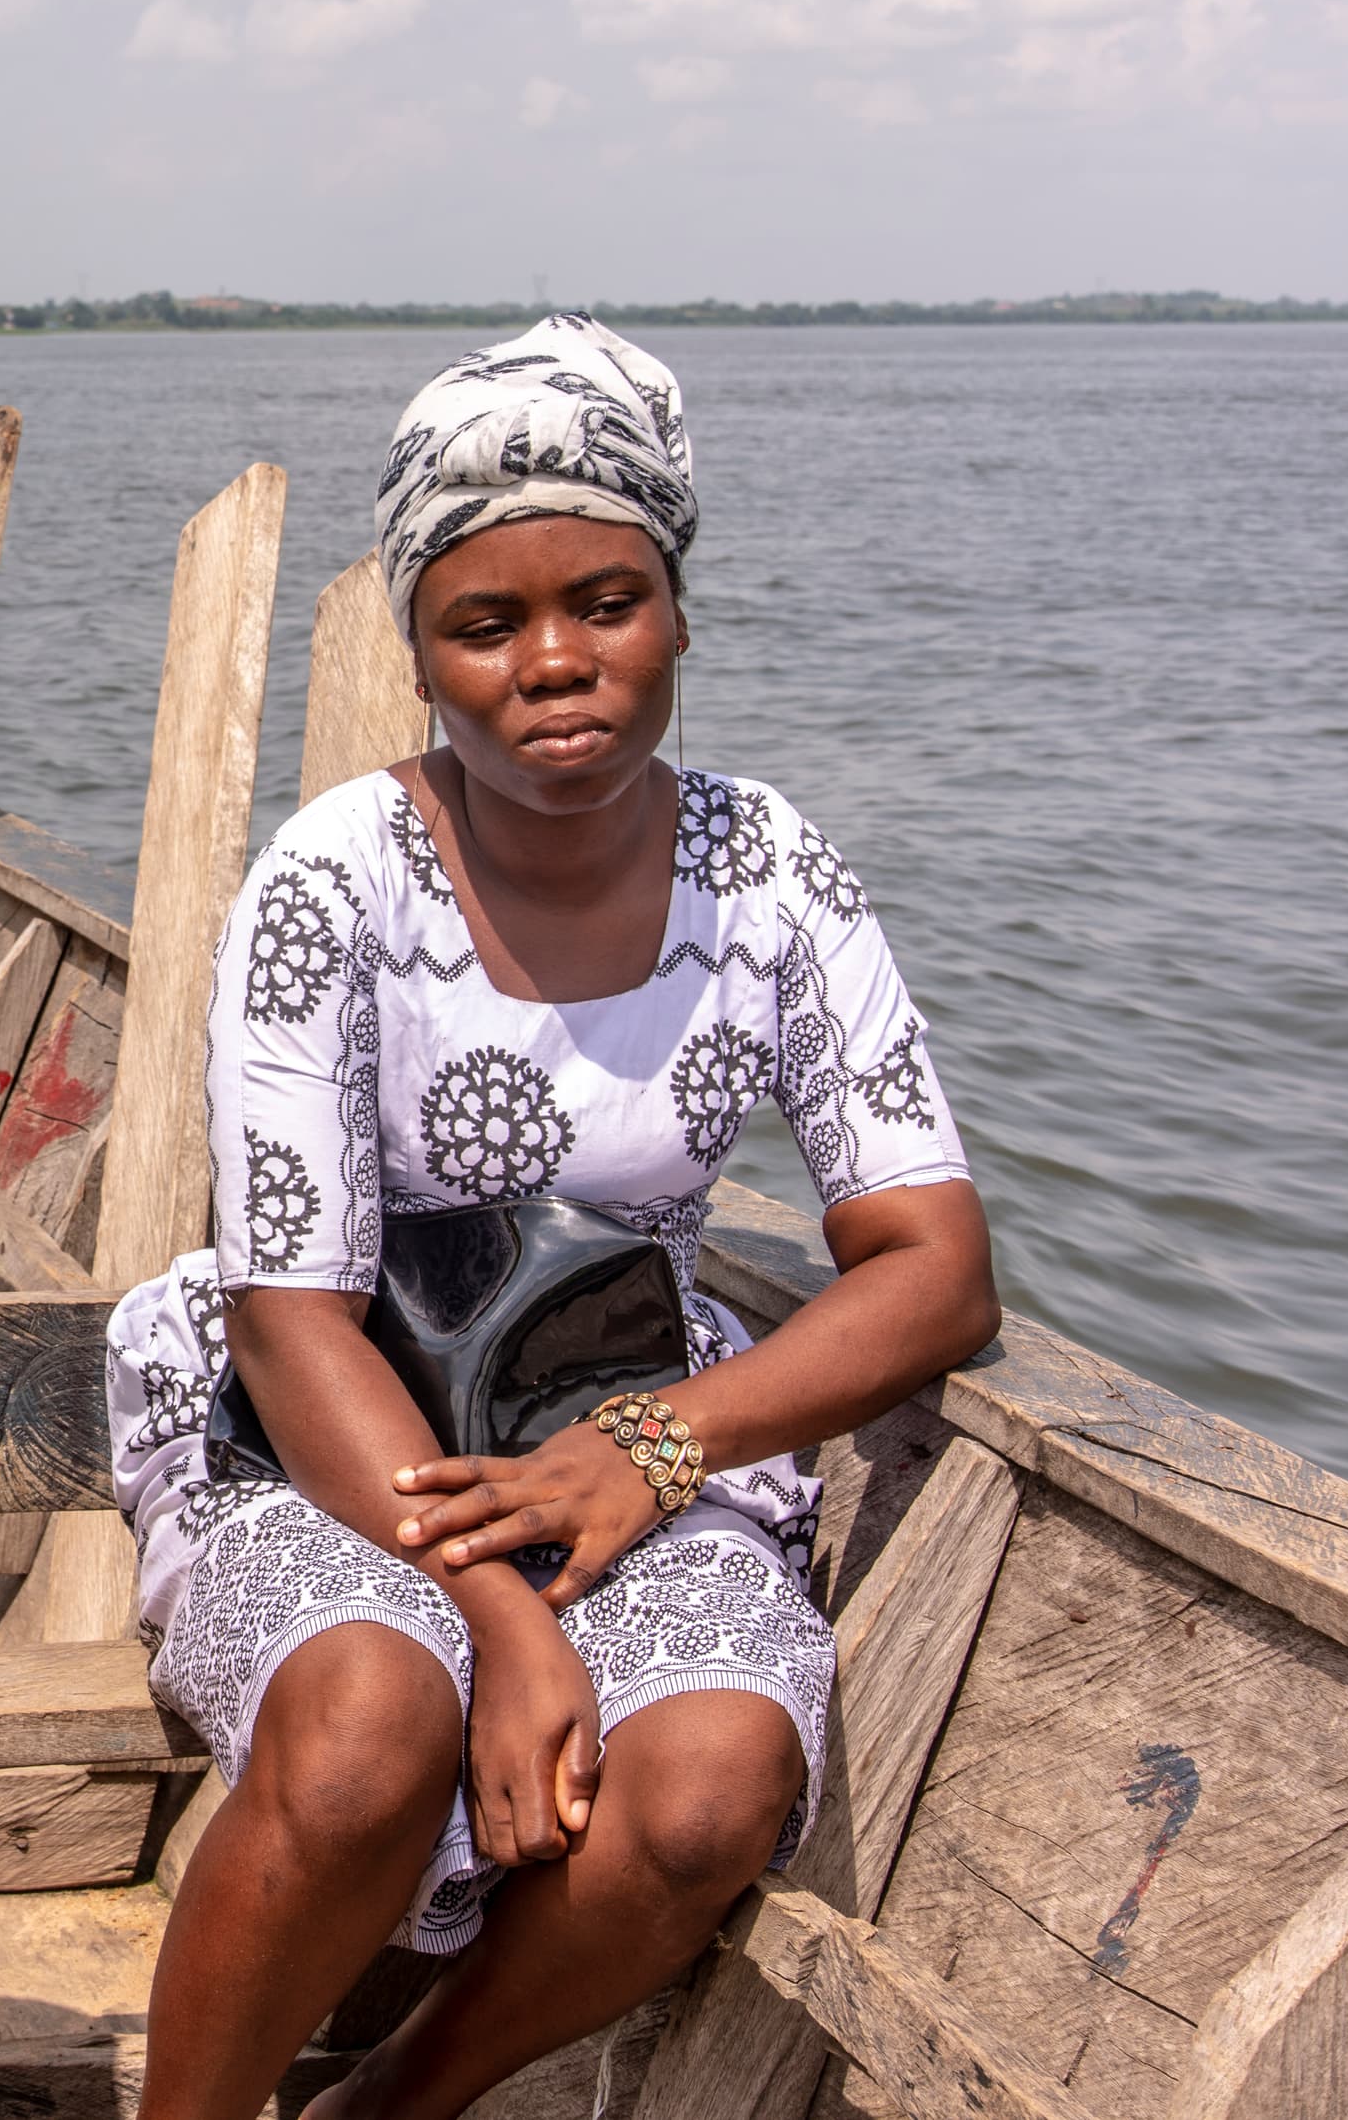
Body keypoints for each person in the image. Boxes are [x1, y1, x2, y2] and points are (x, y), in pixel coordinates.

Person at [109, 317, 1001, 2120]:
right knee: (372, 1729)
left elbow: (935, 1268)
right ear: (421, 653)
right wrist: (506, 1613)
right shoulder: (333, 881)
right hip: (325, 1425)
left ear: (678, 606)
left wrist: (649, 1448)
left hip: (628, 1424)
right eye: (487, 623)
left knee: (704, 1792)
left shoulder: (772, 871)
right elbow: (291, 1313)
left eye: (607, 599)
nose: (557, 662)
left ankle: (392, 2104)